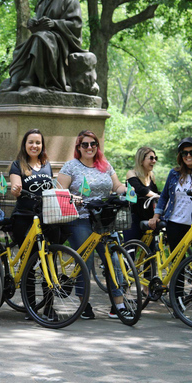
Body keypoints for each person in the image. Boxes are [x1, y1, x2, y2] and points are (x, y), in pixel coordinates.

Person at [57, 130, 127, 320]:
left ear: (97, 146)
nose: (89, 147)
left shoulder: (105, 166)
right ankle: (84, 303)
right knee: (85, 260)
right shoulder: (71, 166)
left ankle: (118, 304)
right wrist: (73, 197)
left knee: (113, 259)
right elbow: (60, 190)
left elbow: (117, 186)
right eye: (85, 144)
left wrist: (127, 190)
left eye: (93, 144)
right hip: (80, 218)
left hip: (104, 219)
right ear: (78, 147)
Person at [0, 0, 87, 93]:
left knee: (40, 39)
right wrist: (33, 22)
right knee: (20, 49)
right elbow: (39, 20)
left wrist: (55, 23)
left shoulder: (69, 1)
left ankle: (31, 77)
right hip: (44, 36)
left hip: (61, 40)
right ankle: (16, 79)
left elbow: (76, 24)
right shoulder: (42, 2)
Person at [151, 137, 192, 250]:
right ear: (180, 156)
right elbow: (164, 196)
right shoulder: (173, 174)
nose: (188, 156)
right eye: (184, 153)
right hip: (175, 223)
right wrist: (155, 216)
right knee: (178, 264)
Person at [123, 147, 160, 243]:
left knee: (152, 252)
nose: (154, 161)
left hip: (149, 217)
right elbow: (140, 189)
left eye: (156, 158)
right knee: (131, 249)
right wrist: (156, 195)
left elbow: (156, 192)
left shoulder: (152, 175)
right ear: (141, 160)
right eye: (151, 158)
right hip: (133, 217)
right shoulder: (131, 173)